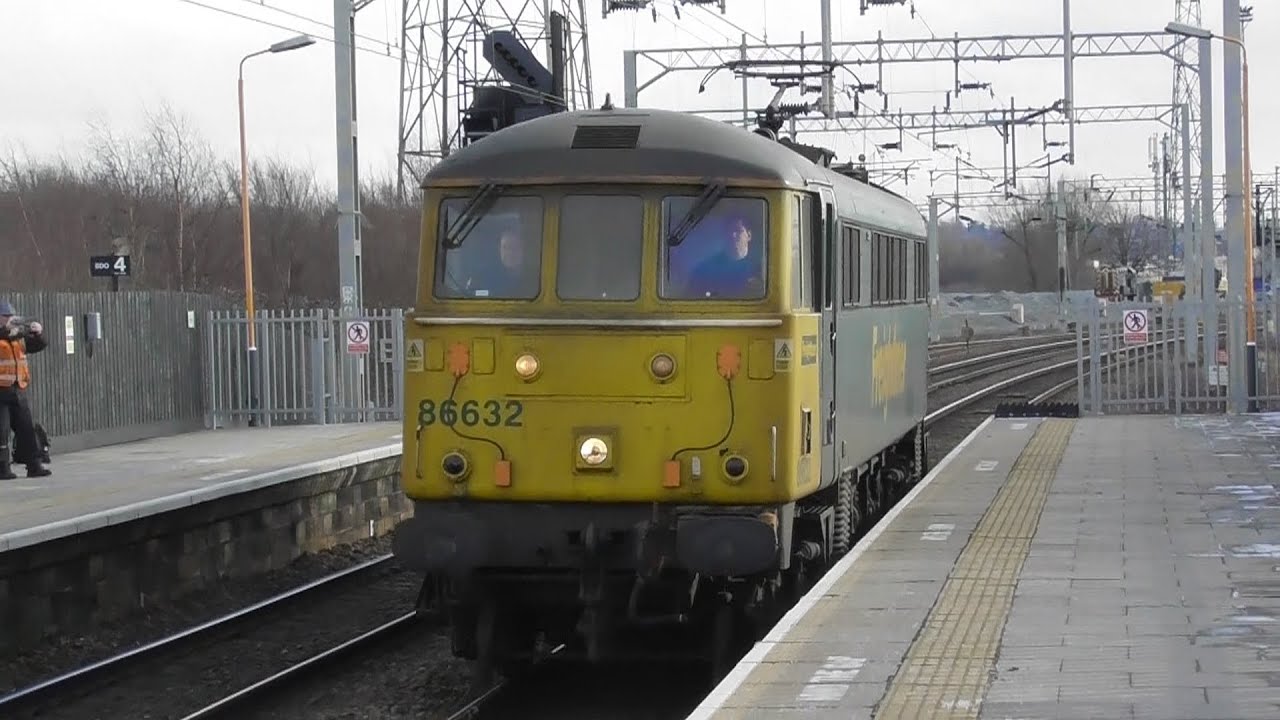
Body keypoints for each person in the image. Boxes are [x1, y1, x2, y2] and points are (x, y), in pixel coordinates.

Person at [0, 301, 50, 479]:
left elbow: (39, 345)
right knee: (2, 431)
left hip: (17, 388)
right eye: (5, 317)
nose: (9, 320)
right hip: (1, 391)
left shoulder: (17, 337)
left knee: (26, 429)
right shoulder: (6, 335)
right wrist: (8, 332)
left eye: (10, 317)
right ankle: (2, 468)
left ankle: (34, 465)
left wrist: (38, 334)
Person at [683, 215, 764, 299]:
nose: (733, 235)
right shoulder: (704, 270)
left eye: (738, 230)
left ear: (749, 235)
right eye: (729, 231)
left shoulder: (762, 268)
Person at [464, 227, 539, 298]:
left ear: (524, 250)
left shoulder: (536, 278)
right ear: (499, 250)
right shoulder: (483, 277)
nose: (510, 253)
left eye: (515, 247)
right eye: (505, 247)